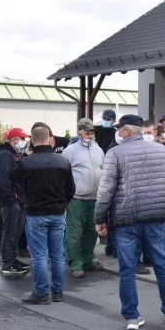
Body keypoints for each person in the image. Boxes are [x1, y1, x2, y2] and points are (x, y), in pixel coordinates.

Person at [95, 114, 165, 330]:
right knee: (162, 266)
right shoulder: (161, 150)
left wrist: (100, 219)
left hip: (126, 219)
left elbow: (105, 191)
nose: (118, 132)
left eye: (120, 129)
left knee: (127, 269)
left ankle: (132, 316)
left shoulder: (115, 153)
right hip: (156, 216)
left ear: (127, 131)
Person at [11, 125, 75, 304]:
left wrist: (24, 155)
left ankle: (41, 293)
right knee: (57, 255)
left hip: (35, 213)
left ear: (32, 140)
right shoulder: (62, 161)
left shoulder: (27, 162)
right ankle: (57, 292)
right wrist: (62, 204)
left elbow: (12, 176)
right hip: (57, 213)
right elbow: (71, 189)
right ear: (49, 138)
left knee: (39, 256)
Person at [63, 118, 105, 279]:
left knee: (91, 232)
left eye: (92, 132)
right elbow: (64, 175)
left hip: (95, 198)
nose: (90, 134)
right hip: (76, 199)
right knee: (75, 233)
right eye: (87, 132)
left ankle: (87, 260)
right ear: (79, 132)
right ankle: (75, 262)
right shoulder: (70, 151)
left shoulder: (98, 149)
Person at [0, 127, 31, 277]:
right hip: (11, 202)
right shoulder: (5, 155)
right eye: (21, 139)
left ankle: (12, 259)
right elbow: (3, 180)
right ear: (14, 140)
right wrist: (11, 201)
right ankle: (8, 263)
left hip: (18, 201)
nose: (24, 142)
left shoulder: (14, 155)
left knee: (15, 232)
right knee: (9, 232)